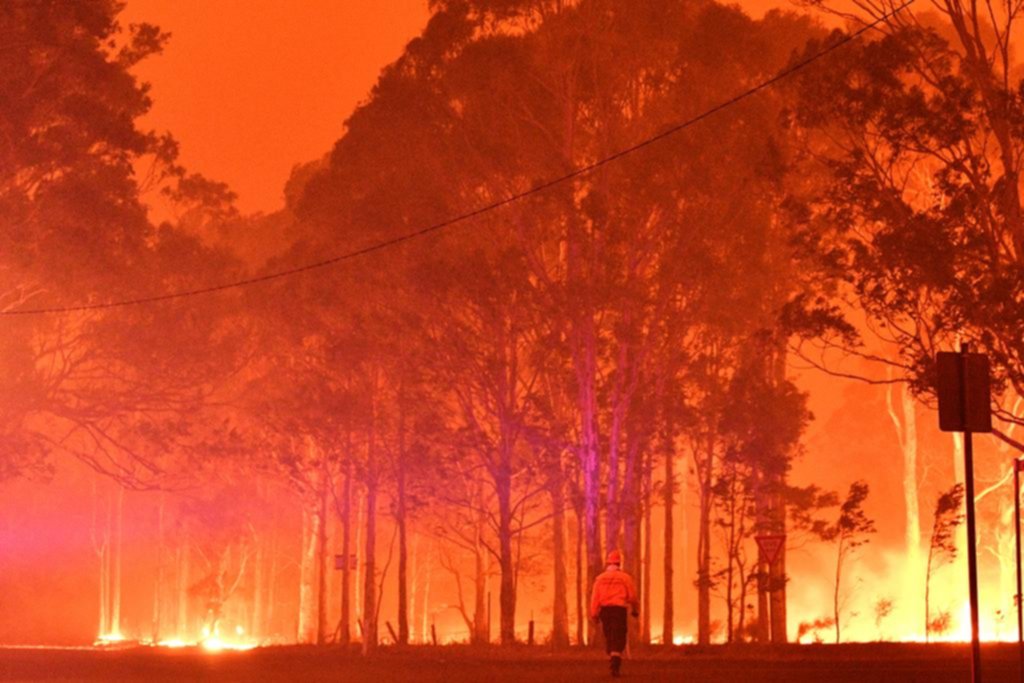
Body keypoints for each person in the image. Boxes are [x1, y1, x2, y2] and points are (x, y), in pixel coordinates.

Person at [590, 549, 639, 678]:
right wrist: (635, 609)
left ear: (608, 563)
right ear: (619, 564)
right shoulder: (625, 578)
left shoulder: (600, 579)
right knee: (619, 635)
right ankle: (615, 661)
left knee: (609, 635)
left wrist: (594, 614)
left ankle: (612, 656)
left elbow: (595, 598)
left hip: (605, 610)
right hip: (619, 609)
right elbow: (633, 596)